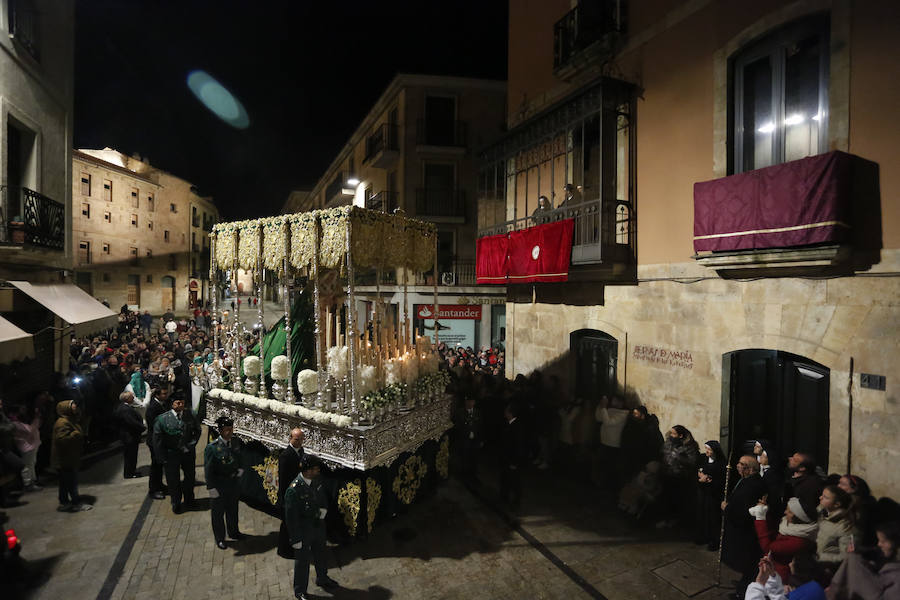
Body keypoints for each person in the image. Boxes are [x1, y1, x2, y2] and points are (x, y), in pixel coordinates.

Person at [284, 456, 338, 600]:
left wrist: (323, 510)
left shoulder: (316, 480)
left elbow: (322, 497)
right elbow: (291, 517)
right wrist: (295, 538)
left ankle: (323, 578)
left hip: (318, 526)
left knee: (321, 553)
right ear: (307, 471)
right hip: (303, 531)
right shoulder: (293, 490)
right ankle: (300, 590)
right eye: (315, 469)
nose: (318, 470)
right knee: (302, 561)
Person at [722, 454, 768, 597]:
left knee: (748, 563)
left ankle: (742, 593)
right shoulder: (747, 480)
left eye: (741, 464)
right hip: (742, 529)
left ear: (749, 469)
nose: (737, 466)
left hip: (745, 531)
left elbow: (743, 511)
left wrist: (727, 508)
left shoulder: (751, 485)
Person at [826, 520, 900, 600]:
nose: (879, 544)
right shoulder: (883, 555)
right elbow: (872, 551)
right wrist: (857, 551)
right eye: (879, 541)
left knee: (853, 560)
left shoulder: (897, 577)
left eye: (883, 541)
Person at [751, 496, 819, 582]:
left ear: (799, 517)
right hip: (772, 568)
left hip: (780, 577)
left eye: (789, 512)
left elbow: (768, 547)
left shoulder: (799, 542)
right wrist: (765, 512)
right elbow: (773, 532)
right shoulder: (789, 525)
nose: (785, 512)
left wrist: (760, 518)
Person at [153, 393, 200, 514]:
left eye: (182, 402)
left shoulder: (190, 415)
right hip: (171, 454)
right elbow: (157, 440)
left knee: (190, 477)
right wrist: (161, 457)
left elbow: (197, 431)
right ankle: (176, 502)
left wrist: (191, 445)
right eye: (178, 403)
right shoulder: (163, 419)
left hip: (187, 453)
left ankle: (190, 499)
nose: (181, 405)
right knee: (173, 480)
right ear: (172, 404)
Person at [204, 416, 245, 549]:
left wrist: (240, 472)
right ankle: (220, 538)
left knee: (233, 510)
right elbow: (208, 469)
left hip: (232, 483)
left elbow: (240, 458)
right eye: (226, 430)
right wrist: (211, 488)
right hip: (219, 484)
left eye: (231, 429)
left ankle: (234, 532)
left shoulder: (235, 442)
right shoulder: (213, 448)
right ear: (220, 431)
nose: (229, 432)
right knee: (218, 514)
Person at [51, 400, 91, 512]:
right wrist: (76, 434)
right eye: (72, 405)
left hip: (68, 458)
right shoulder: (62, 423)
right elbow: (62, 439)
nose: (75, 406)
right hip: (65, 459)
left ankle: (64, 502)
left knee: (64, 483)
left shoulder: (69, 420)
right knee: (71, 482)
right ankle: (76, 503)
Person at [657, 424, 700, 528]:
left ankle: (676, 521)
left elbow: (692, 461)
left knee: (678, 499)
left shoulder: (689, 446)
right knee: (665, 498)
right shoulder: (668, 443)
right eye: (670, 433)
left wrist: (678, 457)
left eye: (673, 433)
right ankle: (666, 519)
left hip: (680, 477)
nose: (671, 435)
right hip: (667, 474)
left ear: (680, 436)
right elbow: (663, 454)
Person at [745, 553, 826, 600]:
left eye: (792, 562)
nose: (790, 564)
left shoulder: (812, 590)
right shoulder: (816, 589)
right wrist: (772, 575)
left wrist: (759, 583)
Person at [816, 485, 857, 569]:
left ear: (837, 504)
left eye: (825, 497)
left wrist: (819, 557)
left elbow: (845, 556)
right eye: (822, 495)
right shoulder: (821, 513)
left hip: (826, 568)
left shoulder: (844, 526)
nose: (820, 498)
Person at [696, 440, 726, 550]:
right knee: (702, 515)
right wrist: (700, 476)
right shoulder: (703, 458)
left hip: (714, 494)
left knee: (713, 517)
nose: (707, 451)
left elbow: (722, 480)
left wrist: (708, 479)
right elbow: (699, 470)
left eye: (709, 449)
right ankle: (703, 536)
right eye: (706, 449)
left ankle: (714, 540)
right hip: (703, 492)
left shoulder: (721, 463)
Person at [499, 402, 527, 510]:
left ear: (510, 413)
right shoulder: (508, 424)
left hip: (513, 460)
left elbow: (519, 446)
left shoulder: (517, 427)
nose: (505, 412)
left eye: (506, 411)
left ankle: (516, 501)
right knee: (505, 479)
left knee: (515, 481)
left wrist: (515, 462)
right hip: (506, 458)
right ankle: (504, 497)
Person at [113, 391, 145, 479]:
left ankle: (131, 471)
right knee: (130, 456)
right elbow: (131, 422)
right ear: (127, 398)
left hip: (129, 435)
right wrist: (142, 427)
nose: (133, 398)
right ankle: (129, 473)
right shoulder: (125, 409)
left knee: (131, 455)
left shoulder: (124, 407)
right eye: (132, 396)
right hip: (129, 436)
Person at [453, 395, 484, 486]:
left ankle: (473, 475)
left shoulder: (478, 413)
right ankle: (464, 476)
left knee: (474, 459)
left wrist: (481, 439)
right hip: (464, 440)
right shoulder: (459, 412)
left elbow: (481, 427)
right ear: (465, 402)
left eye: (472, 401)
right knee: (464, 458)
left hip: (475, 440)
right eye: (469, 401)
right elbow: (456, 426)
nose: (470, 403)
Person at [11, 404, 42, 492]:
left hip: (31, 445)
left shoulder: (21, 420)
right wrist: (36, 418)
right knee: (27, 466)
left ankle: (32, 482)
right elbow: (30, 431)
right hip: (27, 446)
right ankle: (28, 484)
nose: (24, 410)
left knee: (31, 464)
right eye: (22, 409)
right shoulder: (15, 423)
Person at [145, 386, 169, 500]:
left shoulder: (160, 404)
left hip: (160, 440)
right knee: (155, 465)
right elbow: (153, 425)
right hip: (154, 441)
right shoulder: (153, 407)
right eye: (163, 394)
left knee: (159, 465)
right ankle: (153, 489)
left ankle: (159, 485)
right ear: (157, 395)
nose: (166, 396)